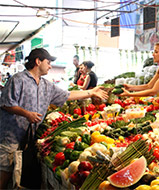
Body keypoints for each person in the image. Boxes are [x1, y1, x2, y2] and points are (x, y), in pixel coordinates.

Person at [0, 48, 108, 189]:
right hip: (11, 135)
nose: (50, 66)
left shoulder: (46, 85)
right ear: (38, 61)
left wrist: (90, 92)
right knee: (4, 171)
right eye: (48, 62)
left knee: (18, 175)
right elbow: (6, 104)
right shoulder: (18, 80)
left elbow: (67, 95)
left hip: (28, 137)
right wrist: (27, 113)